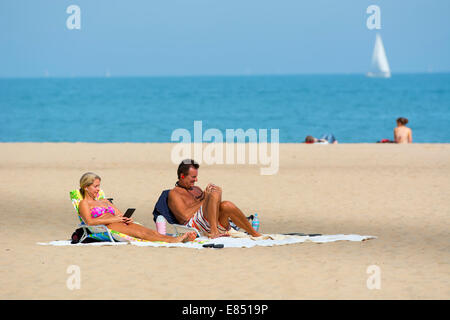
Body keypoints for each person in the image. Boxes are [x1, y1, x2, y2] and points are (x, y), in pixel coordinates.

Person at [78, 172, 196, 243]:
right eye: (95, 186)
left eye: (99, 186)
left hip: (119, 221)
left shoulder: (104, 201)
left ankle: (175, 239)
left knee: (147, 231)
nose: (98, 189)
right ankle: (174, 240)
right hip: (109, 226)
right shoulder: (84, 203)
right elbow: (89, 221)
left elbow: (119, 214)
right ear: (86, 187)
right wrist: (114, 220)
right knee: (140, 233)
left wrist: (125, 218)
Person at [168, 159, 262, 239]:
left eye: (196, 177)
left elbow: (210, 206)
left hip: (209, 223)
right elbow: (185, 216)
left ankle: (254, 233)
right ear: (182, 176)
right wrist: (205, 198)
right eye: (193, 177)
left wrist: (206, 197)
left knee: (226, 205)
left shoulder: (196, 189)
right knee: (214, 192)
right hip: (193, 226)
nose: (196, 180)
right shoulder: (174, 194)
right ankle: (214, 232)